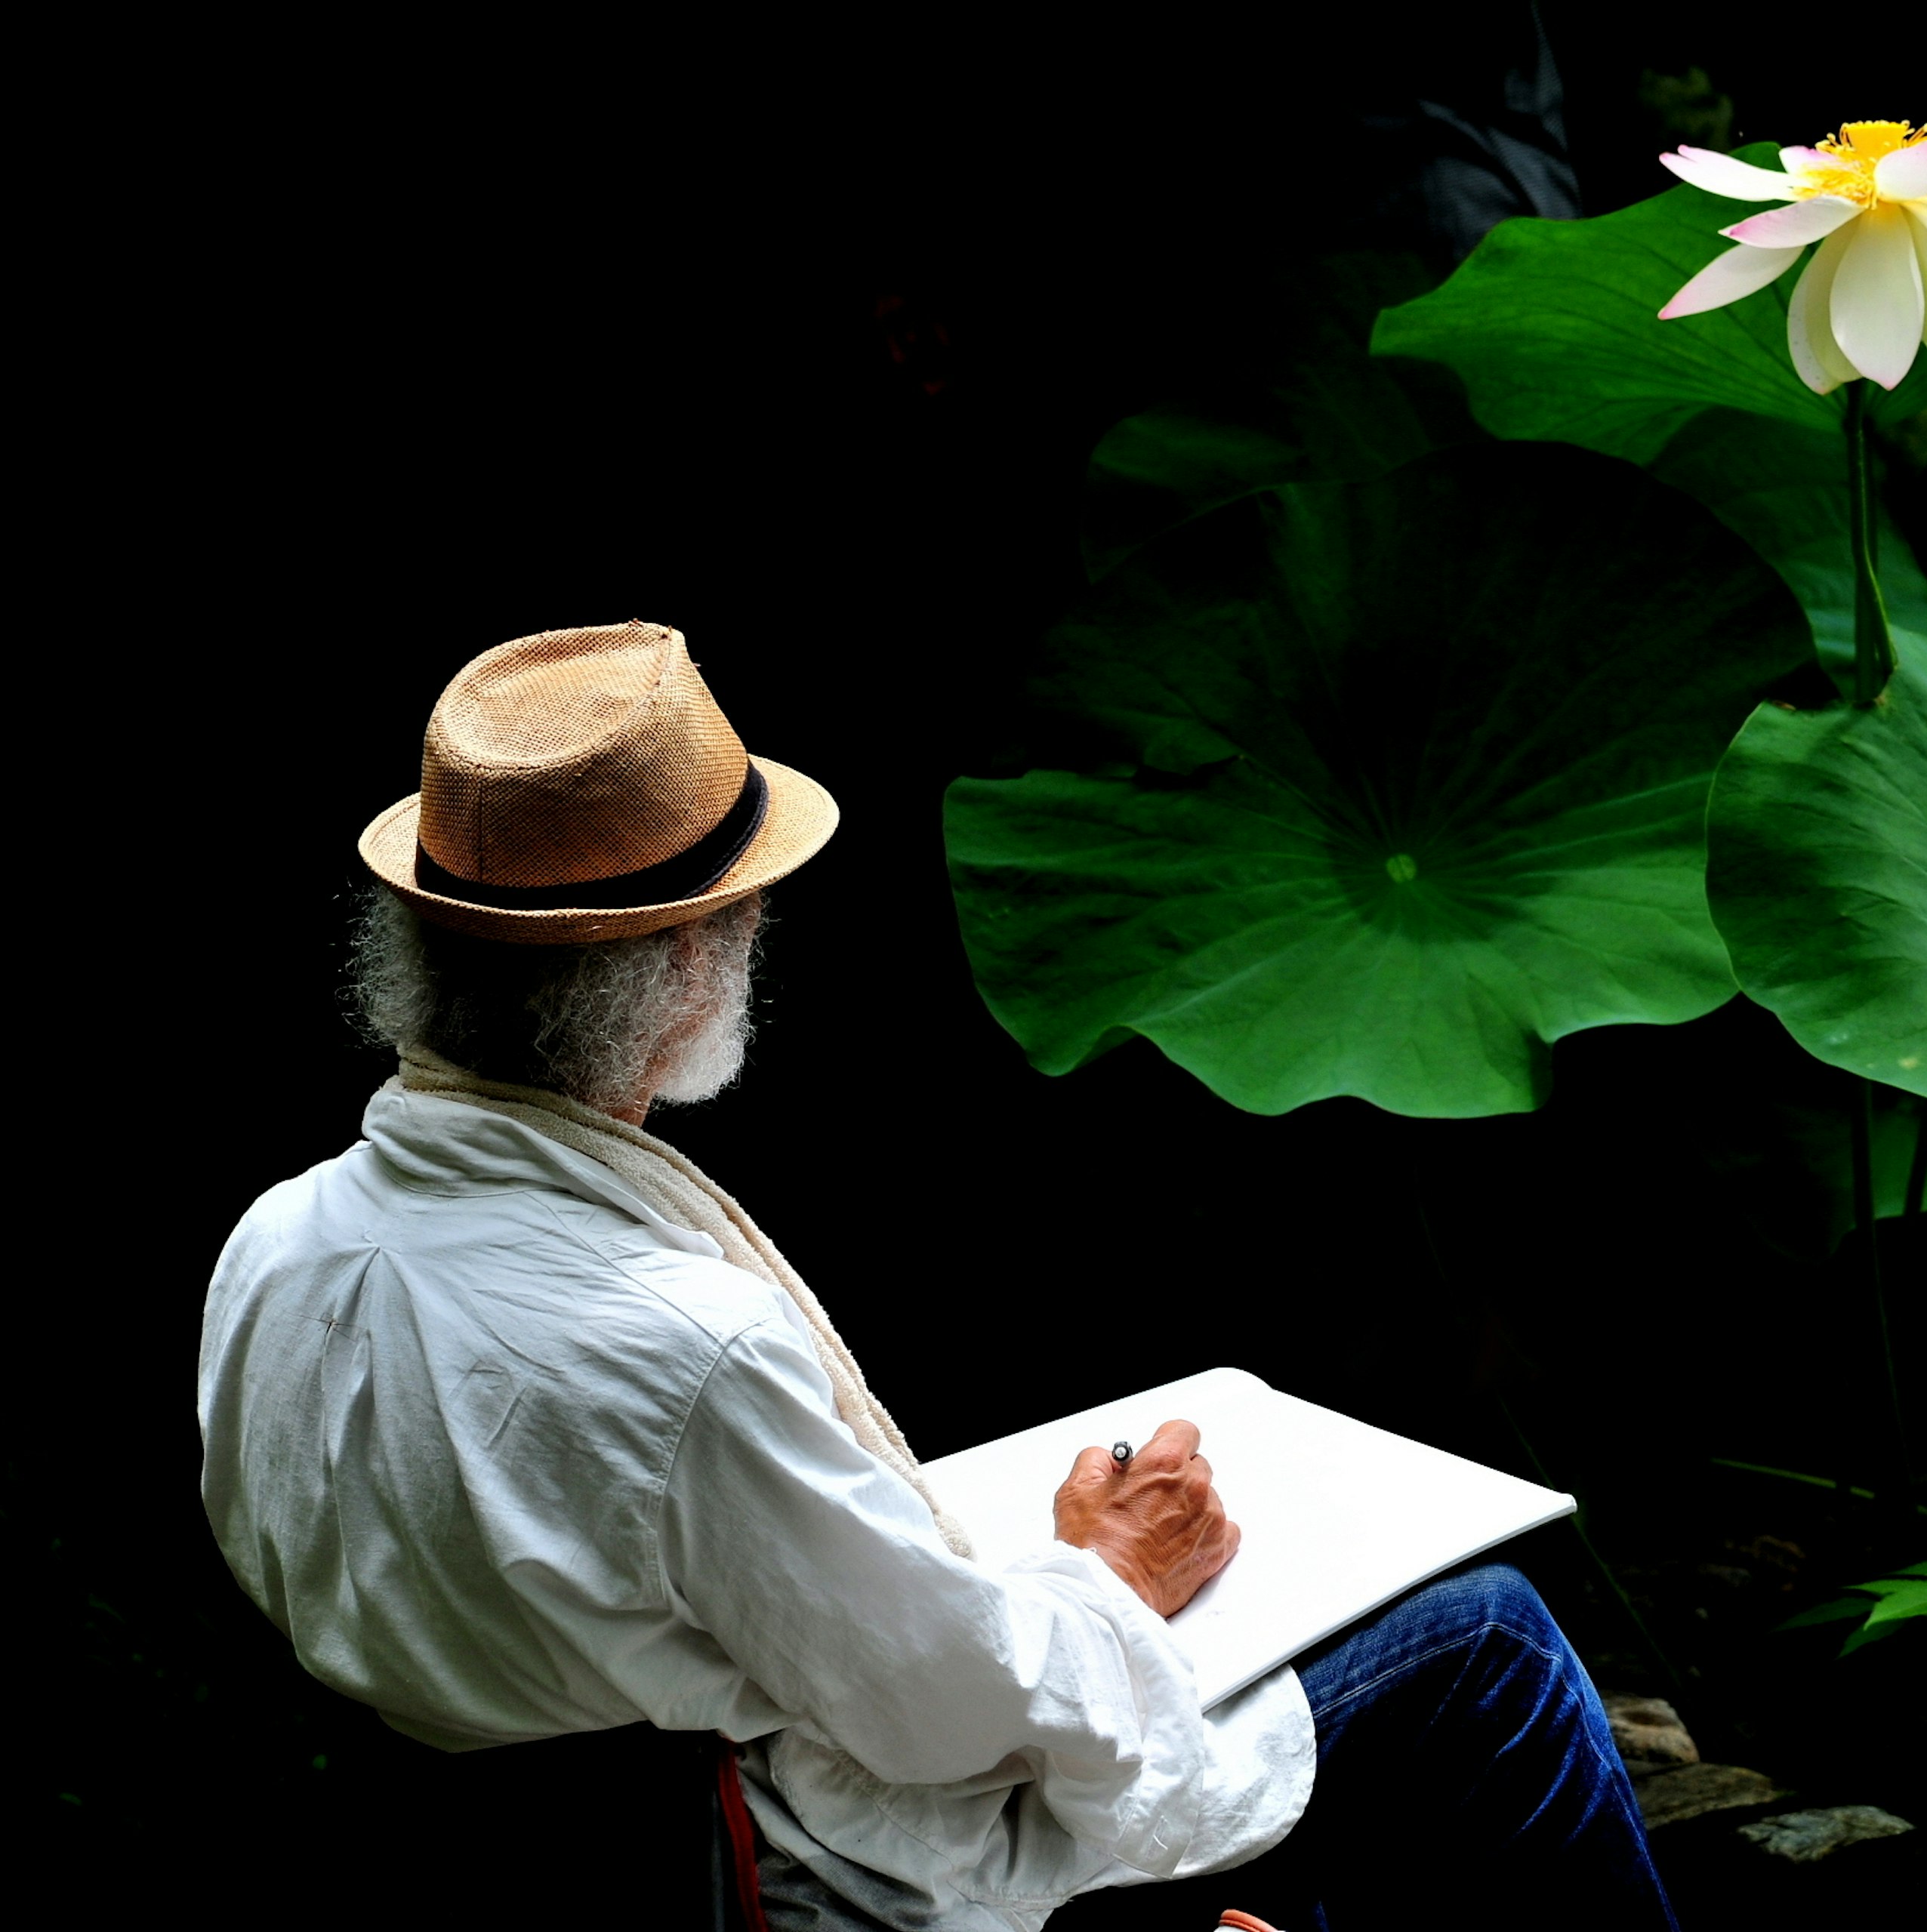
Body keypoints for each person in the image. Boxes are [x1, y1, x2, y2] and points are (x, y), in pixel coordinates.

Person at [198, 623, 1676, 1931]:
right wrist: (1107, 1570)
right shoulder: (683, 1348)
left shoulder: (276, 1243)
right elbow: (944, 1711)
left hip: (504, 1855)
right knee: (1489, 1643)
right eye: (743, 920)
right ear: (688, 973)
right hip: (779, 1873)